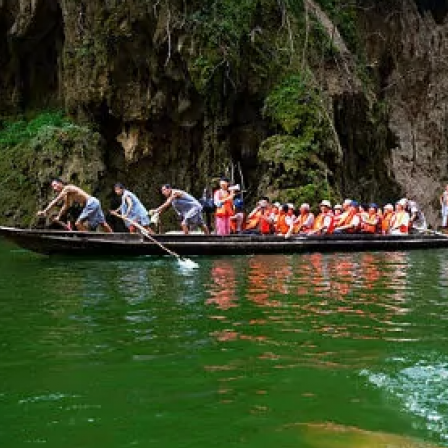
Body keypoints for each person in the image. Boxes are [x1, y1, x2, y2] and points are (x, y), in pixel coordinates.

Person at [37, 178, 113, 232]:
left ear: (60, 183)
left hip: (91, 203)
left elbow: (56, 200)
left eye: (55, 185)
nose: (54, 188)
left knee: (78, 223)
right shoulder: (67, 194)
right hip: (95, 201)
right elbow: (65, 206)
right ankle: (113, 237)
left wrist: (45, 211)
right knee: (103, 223)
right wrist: (59, 216)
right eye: (53, 186)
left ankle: (88, 240)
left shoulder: (67, 188)